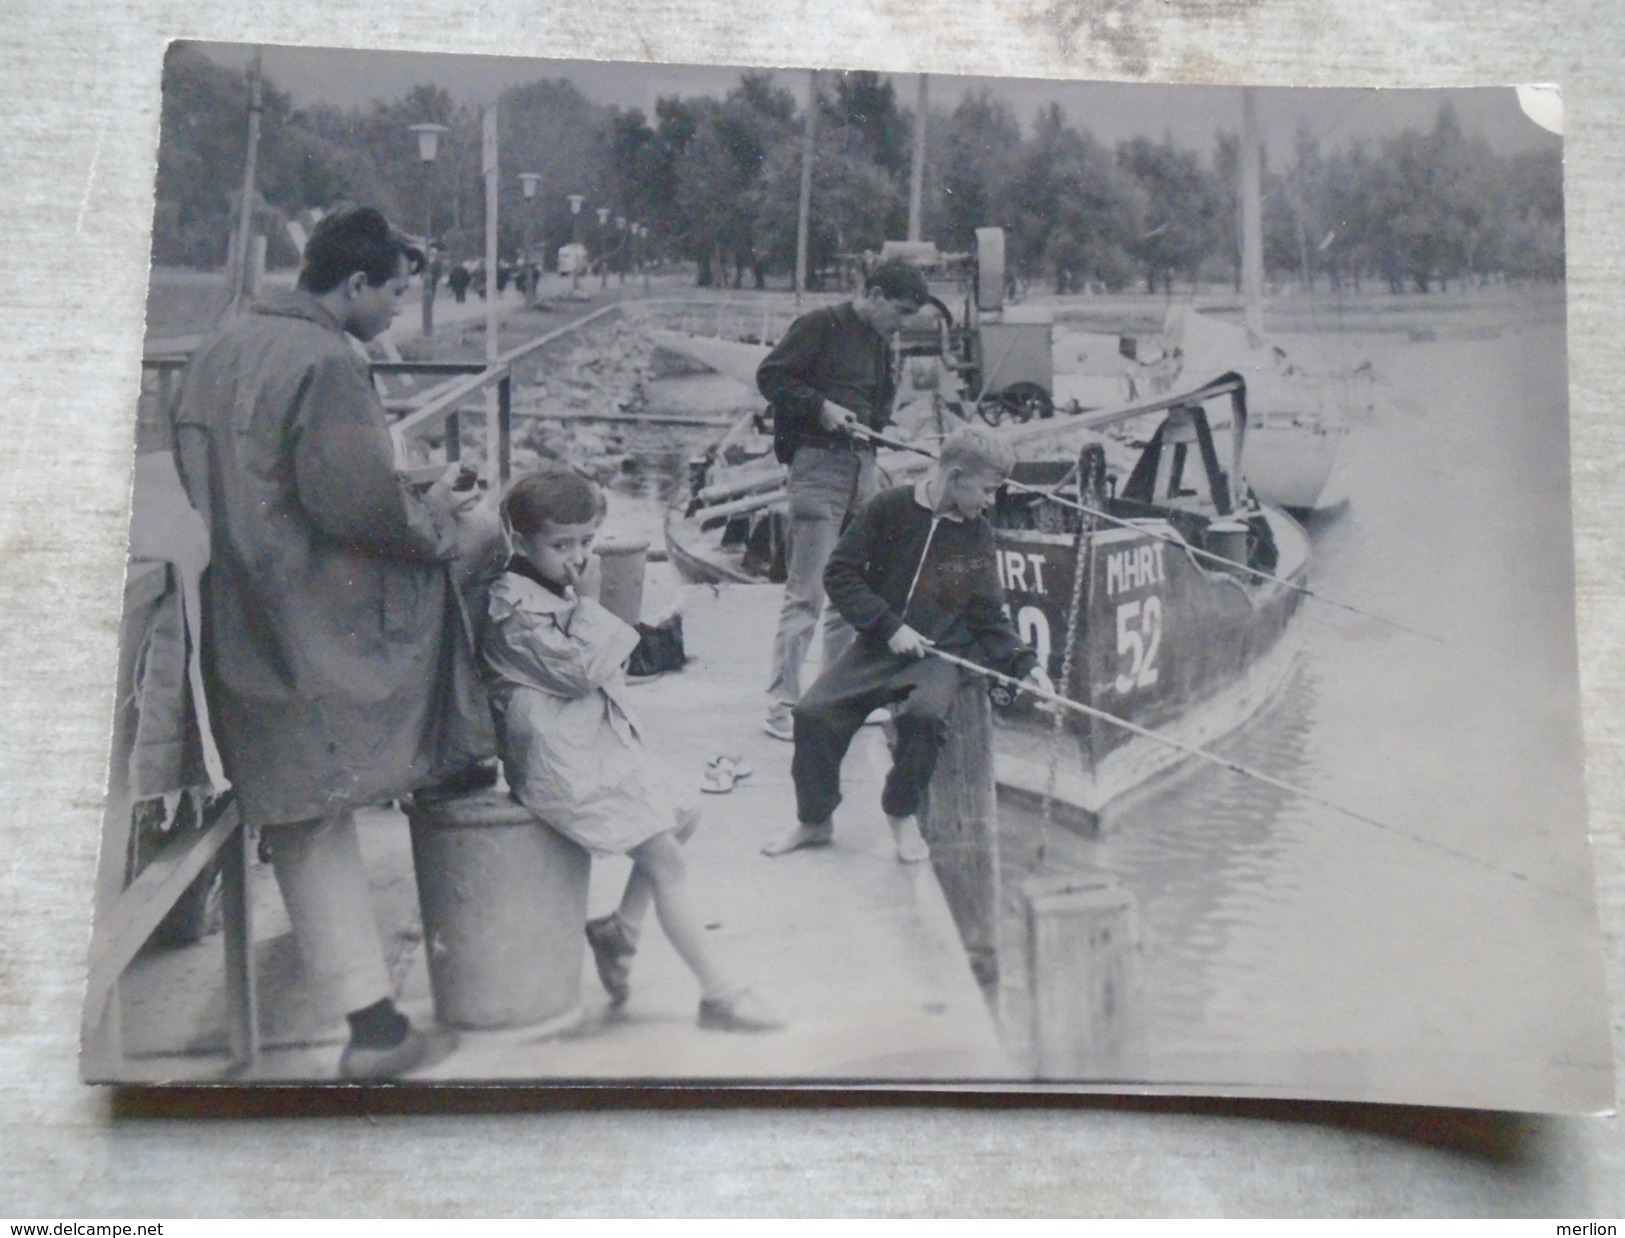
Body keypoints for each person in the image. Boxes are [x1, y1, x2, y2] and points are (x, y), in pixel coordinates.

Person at [171, 206, 496, 1080]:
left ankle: (376, 1022)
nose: (396, 310)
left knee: (303, 811)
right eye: (393, 293)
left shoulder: (219, 347)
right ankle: (466, 778)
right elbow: (354, 505)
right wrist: (435, 516)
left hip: (243, 608)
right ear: (354, 285)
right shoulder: (325, 360)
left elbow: (233, 480)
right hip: (315, 618)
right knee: (476, 567)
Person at [482, 468, 784, 1032]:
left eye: (586, 542)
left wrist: (583, 599)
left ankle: (619, 930)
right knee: (665, 858)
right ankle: (720, 992)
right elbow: (578, 671)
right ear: (520, 543)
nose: (576, 557)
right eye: (560, 545)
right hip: (557, 760)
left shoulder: (549, 585)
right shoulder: (512, 605)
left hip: (591, 744)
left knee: (683, 813)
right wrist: (594, 602)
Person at [763, 427, 1054, 861]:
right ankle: (815, 820)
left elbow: (988, 615)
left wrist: (1025, 665)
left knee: (924, 717)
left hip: (941, 655)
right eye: (987, 490)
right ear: (955, 477)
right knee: (812, 715)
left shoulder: (977, 533)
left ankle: (901, 813)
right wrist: (887, 626)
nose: (991, 501)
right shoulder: (888, 508)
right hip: (879, 646)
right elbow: (840, 573)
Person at [756, 259, 931, 742]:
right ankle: (781, 705)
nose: (900, 323)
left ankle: (835, 697)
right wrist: (821, 407)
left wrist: (883, 430)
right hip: (817, 469)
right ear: (873, 294)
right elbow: (771, 376)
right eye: (898, 311)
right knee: (806, 594)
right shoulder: (820, 326)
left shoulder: (880, 345)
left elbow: (878, 407)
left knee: (847, 592)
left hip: (861, 470)